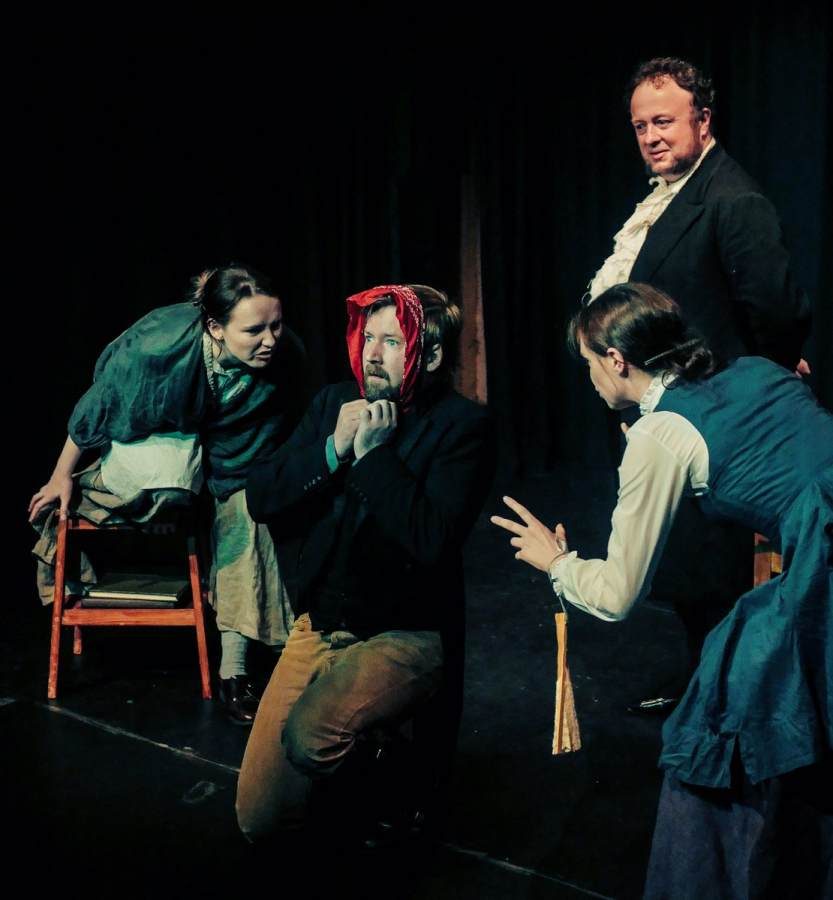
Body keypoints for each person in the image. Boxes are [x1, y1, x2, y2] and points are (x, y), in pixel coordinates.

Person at [492, 282, 832, 897]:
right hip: (815, 556)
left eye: (590, 363)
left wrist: (558, 562)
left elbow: (619, 594)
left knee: (718, 719)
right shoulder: (762, 372)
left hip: (824, 577)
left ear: (616, 361)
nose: (591, 379)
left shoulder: (659, 435)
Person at [587, 56, 812, 712]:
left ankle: (724, 694)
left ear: (703, 120)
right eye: (639, 125)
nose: (650, 135)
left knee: (709, 564)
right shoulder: (669, 193)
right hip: (660, 408)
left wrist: (754, 382)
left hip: (707, 416)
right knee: (683, 562)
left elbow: (776, 307)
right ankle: (701, 675)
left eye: (663, 121)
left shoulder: (731, 198)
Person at [236, 283, 495, 845]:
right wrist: (334, 446)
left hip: (406, 632)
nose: (372, 354)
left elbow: (430, 539)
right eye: (368, 337)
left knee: (311, 737)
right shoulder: (334, 402)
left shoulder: (461, 427)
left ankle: (402, 779)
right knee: (261, 819)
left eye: (392, 342)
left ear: (428, 356)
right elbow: (262, 495)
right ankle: (364, 769)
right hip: (321, 625)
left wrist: (375, 456)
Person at [29, 264, 308, 724]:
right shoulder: (157, 349)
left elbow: (271, 438)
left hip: (232, 443)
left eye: (276, 325)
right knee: (170, 480)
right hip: (160, 428)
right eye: (254, 330)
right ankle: (92, 491)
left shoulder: (285, 357)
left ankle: (234, 671)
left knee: (250, 511)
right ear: (215, 328)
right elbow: (100, 401)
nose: (271, 340)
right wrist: (62, 475)